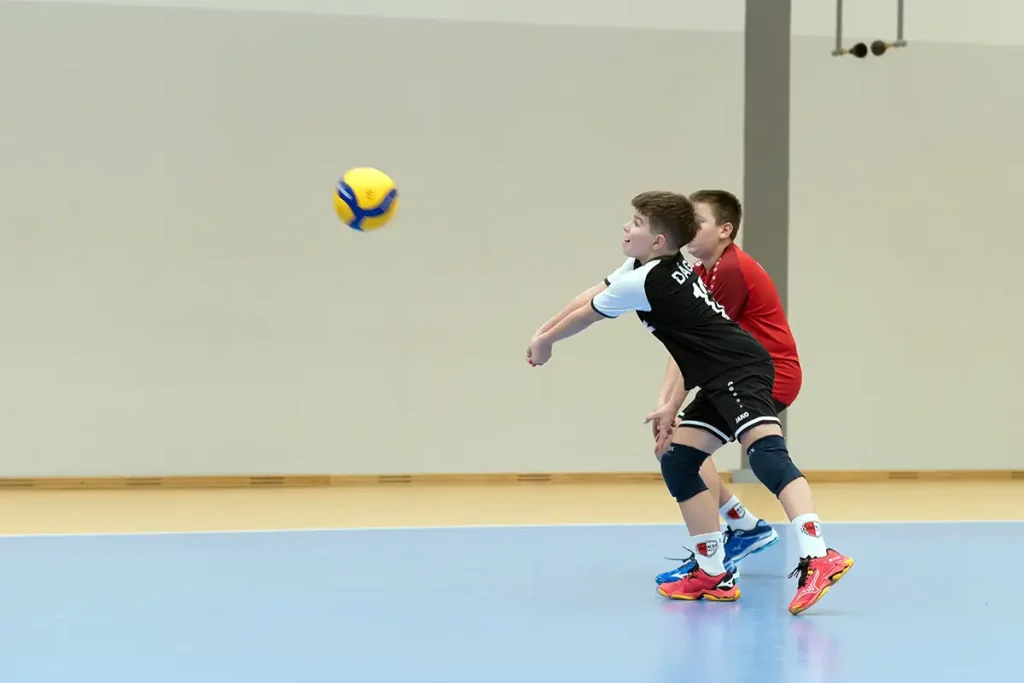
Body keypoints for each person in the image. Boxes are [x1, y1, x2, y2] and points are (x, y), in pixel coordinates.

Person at [527, 191, 852, 614]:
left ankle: (818, 555)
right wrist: (542, 332)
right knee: (678, 459)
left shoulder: (647, 280)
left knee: (768, 456)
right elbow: (591, 295)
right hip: (717, 375)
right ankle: (713, 573)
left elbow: (587, 315)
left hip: (740, 369)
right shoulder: (647, 266)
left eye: (636, 222)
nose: (627, 226)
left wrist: (548, 342)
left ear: (658, 240)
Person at [653, 189, 801, 585]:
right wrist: (665, 403)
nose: (688, 229)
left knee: (690, 451)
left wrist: (672, 406)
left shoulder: (731, 271)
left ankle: (734, 550)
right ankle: (744, 528)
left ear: (725, 230)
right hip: (731, 375)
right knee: (680, 449)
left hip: (768, 375)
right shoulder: (702, 272)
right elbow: (682, 345)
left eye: (697, 222)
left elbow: (697, 349)